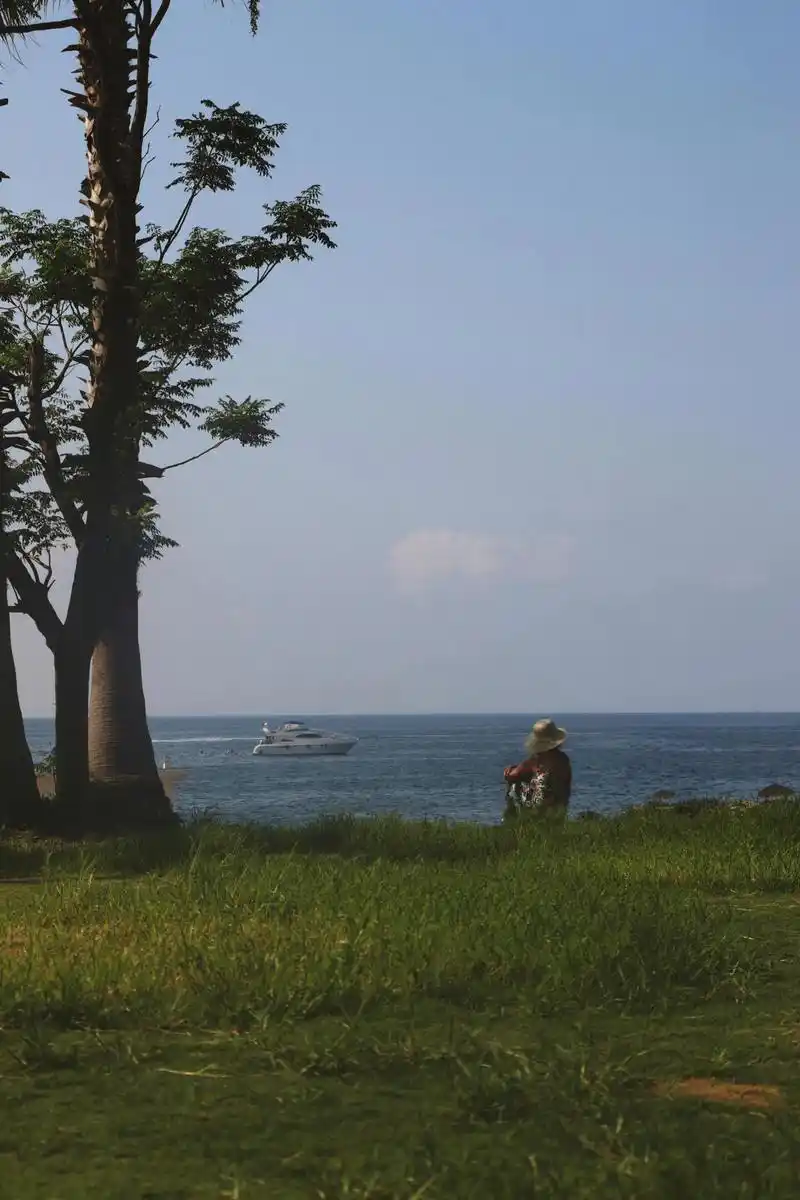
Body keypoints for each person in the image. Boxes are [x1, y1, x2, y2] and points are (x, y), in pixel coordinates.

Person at [503, 718, 571, 819]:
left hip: (539, 809)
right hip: (559, 809)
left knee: (513, 785)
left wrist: (510, 770)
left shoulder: (537, 760)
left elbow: (513, 775)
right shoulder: (563, 759)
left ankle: (511, 820)